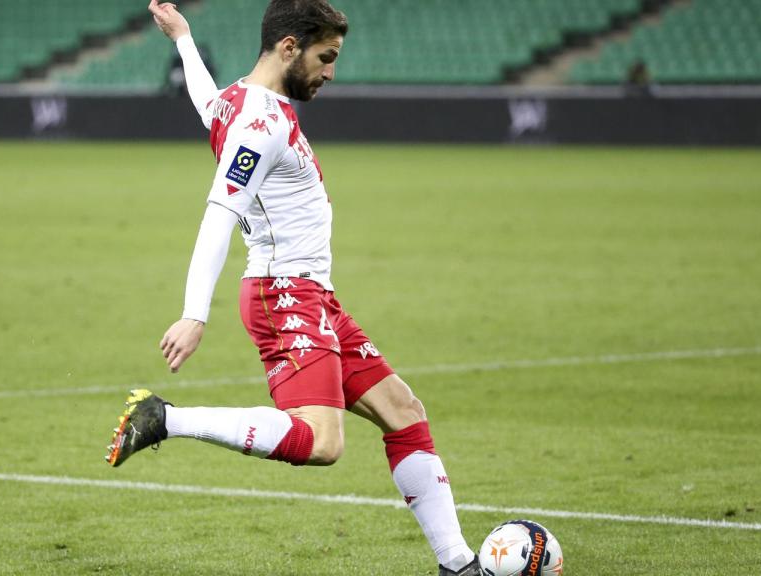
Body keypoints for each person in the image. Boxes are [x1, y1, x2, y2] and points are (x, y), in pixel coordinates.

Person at [105, 1, 480, 574]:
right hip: (284, 295)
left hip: (314, 296)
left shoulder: (239, 103)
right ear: (288, 47)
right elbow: (219, 212)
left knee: (404, 412)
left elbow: (209, 106)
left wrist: (183, 39)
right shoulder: (262, 124)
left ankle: (457, 564)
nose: (330, 71)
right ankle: (165, 418)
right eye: (324, 57)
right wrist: (193, 313)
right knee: (323, 443)